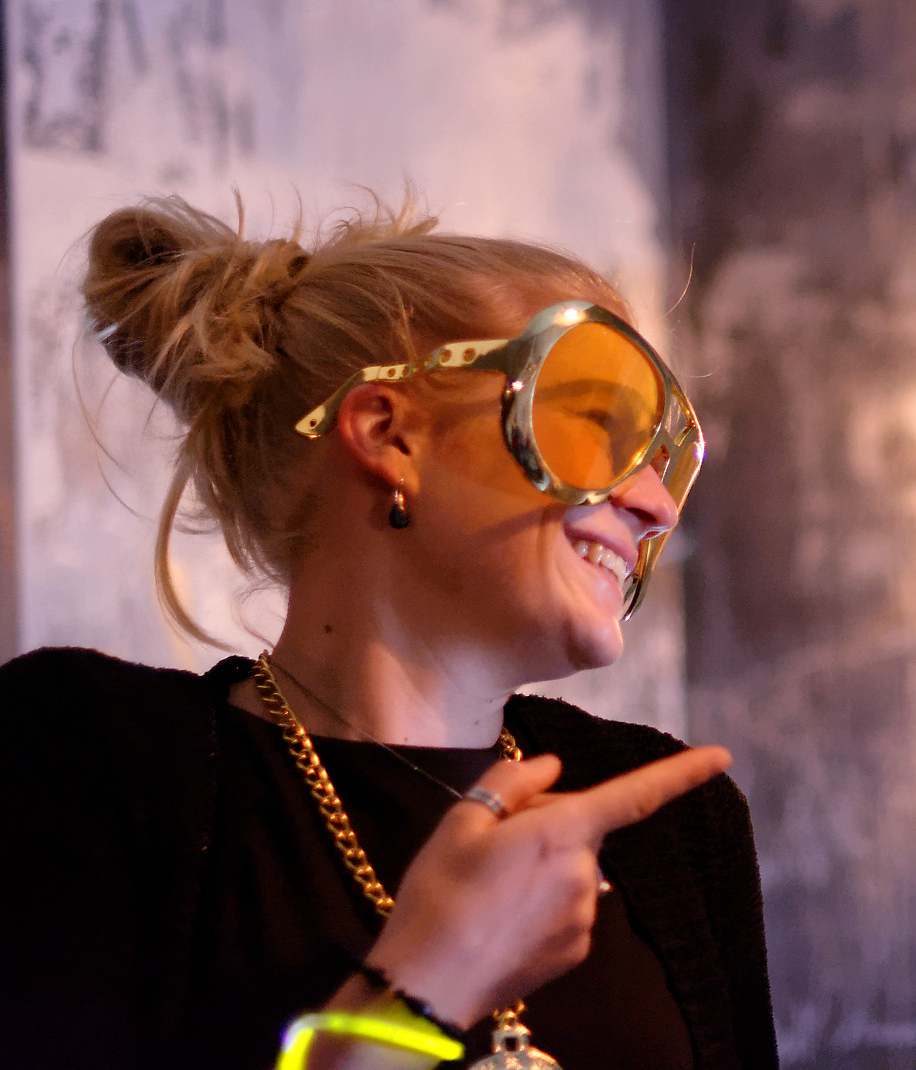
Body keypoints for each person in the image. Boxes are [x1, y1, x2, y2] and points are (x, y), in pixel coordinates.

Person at [0, 197, 777, 1069]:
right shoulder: (82, 757)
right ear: (386, 432)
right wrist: (425, 984)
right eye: (594, 425)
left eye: (661, 460)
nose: (655, 504)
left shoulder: (676, 826)